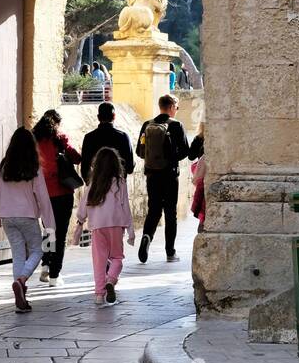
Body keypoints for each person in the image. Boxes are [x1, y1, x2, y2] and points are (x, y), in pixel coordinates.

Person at [0, 127, 55, 313]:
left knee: (17, 254)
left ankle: (21, 295)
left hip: (7, 216)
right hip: (28, 216)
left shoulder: (3, 167)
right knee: (37, 251)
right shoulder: (34, 169)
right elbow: (43, 198)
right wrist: (50, 226)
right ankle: (21, 280)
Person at [73, 147, 135, 305]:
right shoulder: (120, 182)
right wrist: (130, 230)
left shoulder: (92, 184)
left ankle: (99, 295)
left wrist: (80, 221)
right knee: (117, 258)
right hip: (116, 225)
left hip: (97, 227)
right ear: (116, 164)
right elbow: (125, 206)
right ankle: (111, 280)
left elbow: (83, 206)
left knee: (99, 261)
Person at [135, 93, 191, 264]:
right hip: (170, 176)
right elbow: (185, 152)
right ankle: (170, 252)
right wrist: (171, 158)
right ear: (172, 107)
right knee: (170, 213)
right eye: (177, 107)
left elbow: (139, 151)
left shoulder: (147, 125)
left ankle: (146, 236)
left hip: (152, 175)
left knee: (154, 210)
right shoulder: (176, 126)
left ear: (160, 106)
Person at [33, 109, 81, 286]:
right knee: (59, 234)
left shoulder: (33, 141)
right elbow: (76, 158)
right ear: (57, 124)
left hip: (43, 194)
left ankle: (45, 266)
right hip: (62, 192)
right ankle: (55, 275)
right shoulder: (60, 139)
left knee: (49, 231)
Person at [80, 102, 134, 184]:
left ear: (98, 117)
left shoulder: (89, 138)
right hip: (118, 186)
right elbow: (129, 168)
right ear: (114, 116)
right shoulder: (123, 137)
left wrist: (90, 184)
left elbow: (85, 167)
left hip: (97, 185)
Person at [190, 119, 206, 227]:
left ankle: (202, 225)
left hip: (202, 176)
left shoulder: (199, 139)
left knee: (202, 204)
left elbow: (190, 156)